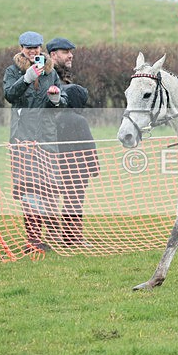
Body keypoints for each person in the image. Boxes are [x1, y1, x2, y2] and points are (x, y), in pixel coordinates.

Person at [3, 31, 66, 253]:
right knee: (29, 191)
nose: (33, 51)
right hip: (23, 140)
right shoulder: (12, 71)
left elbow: (62, 102)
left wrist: (57, 98)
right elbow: (9, 94)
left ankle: (52, 233)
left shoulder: (51, 72)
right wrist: (26, 78)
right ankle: (33, 239)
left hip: (48, 140)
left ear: (41, 48)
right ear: (21, 48)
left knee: (49, 189)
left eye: (36, 48)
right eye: (29, 48)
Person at [54, 83, 99, 246]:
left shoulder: (56, 118)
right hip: (78, 171)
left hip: (59, 169)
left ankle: (64, 235)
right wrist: (94, 167)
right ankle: (74, 236)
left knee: (65, 202)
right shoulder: (80, 121)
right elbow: (89, 145)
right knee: (75, 203)